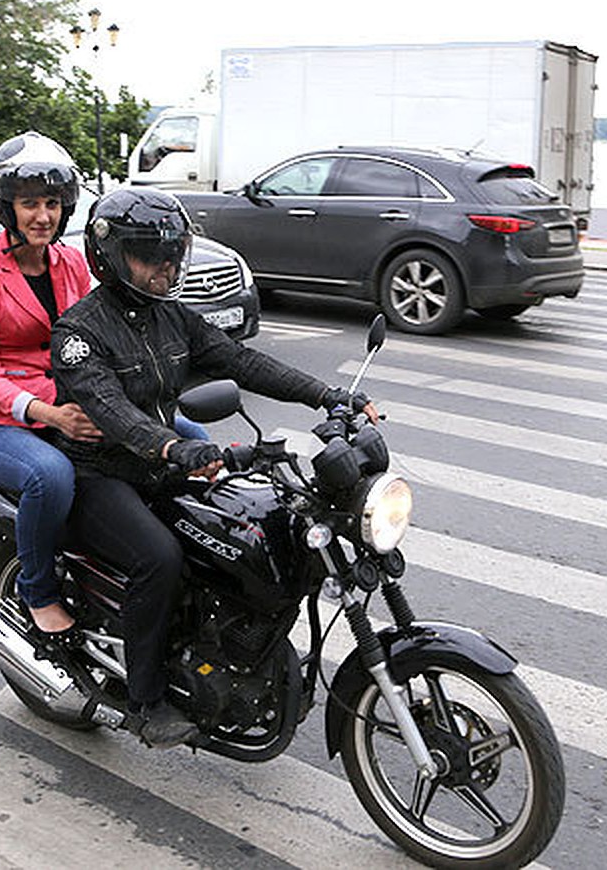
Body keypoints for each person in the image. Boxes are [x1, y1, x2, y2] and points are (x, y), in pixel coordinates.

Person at [50, 187, 377, 747]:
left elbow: (241, 360)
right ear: (110, 258)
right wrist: (179, 449)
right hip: (100, 473)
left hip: (159, 467)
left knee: (259, 525)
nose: (166, 266)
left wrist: (328, 397)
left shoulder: (171, 316)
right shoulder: (78, 333)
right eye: (151, 255)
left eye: (172, 254)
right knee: (159, 557)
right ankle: (146, 699)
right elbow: (115, 414)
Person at [0, 131, 102, 647]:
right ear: (7, 209)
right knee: (51, 477)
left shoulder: (73, 263)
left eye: (52, 203)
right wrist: (52, 413)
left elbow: (94, 338)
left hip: (73, 400)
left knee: (176, 429)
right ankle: (38, 591)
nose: (43, 215)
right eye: (30, 203)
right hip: (0, 424)